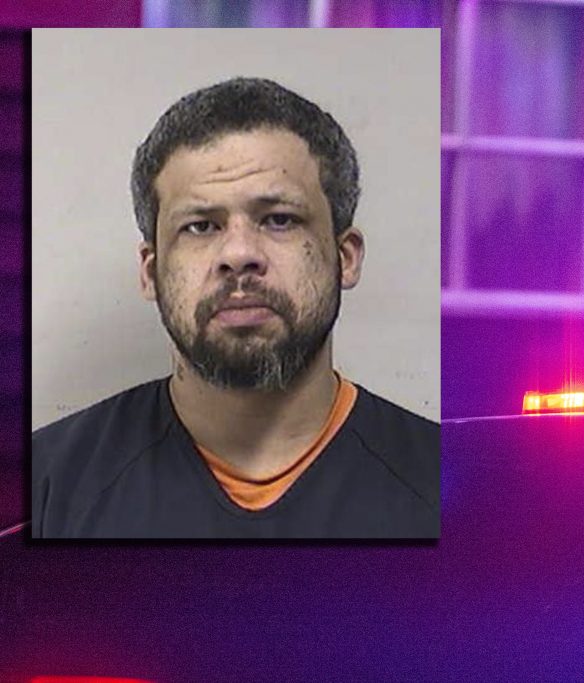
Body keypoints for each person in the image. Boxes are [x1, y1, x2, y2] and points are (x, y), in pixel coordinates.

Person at [31, 77, 439, 539]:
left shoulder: (448, 486)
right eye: (201, 226)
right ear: (151, 271)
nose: (239, 254)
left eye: (279, 219)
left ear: (345, 257)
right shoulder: (46, 488)